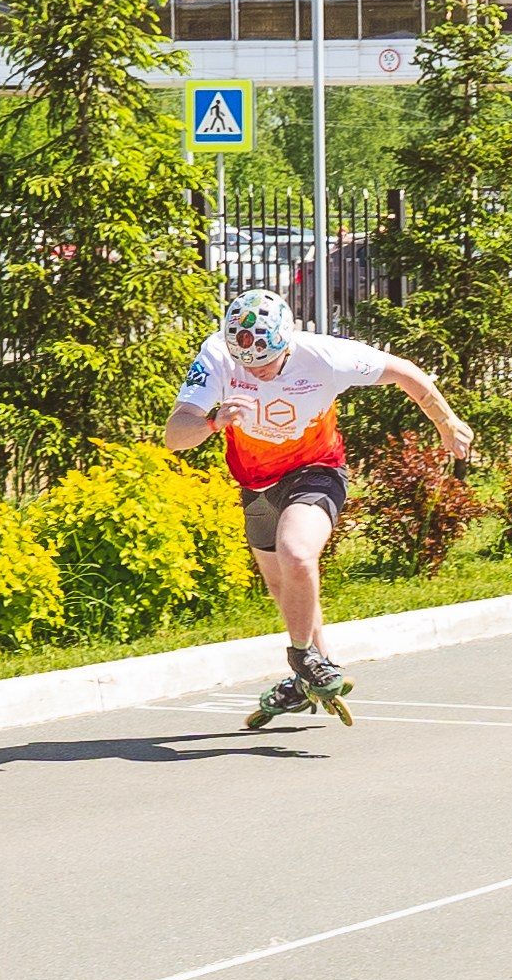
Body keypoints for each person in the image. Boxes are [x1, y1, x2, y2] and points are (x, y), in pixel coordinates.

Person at [164, 290, 473, 729]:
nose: (257, 371)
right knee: (281, 580)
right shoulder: (218, 354)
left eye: (267, 362)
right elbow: (175, 435)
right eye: (248, 365)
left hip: (315, 469)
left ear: (288, 341)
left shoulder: (325, 355)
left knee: (297, 553)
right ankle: (315, 667)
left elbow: (406, 372)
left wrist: (447, 423)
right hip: (254, 481)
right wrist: (212, 421)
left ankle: (300, 655)